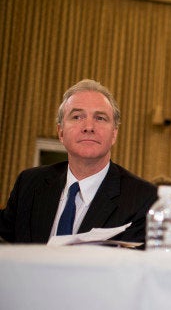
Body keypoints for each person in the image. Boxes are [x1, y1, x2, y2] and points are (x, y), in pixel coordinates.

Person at [0, 79, 158, 245]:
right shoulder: (29, 184)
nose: (88, 126)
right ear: (60, 132)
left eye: (100, 118)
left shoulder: (144, 199)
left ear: (114, 134)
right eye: (77, 117)